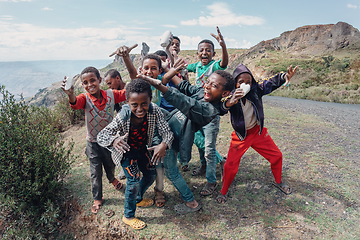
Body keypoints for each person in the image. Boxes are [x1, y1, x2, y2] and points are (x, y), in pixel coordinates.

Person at [110, 45, 201, 213]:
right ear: (141, 69)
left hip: (161, 137)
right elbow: (132, 75)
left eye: (154, 68)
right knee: (155, 171)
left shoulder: (160, 82)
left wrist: (172, 67)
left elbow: (166, 76)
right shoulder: (140, 84)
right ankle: (146, 196)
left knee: (170, 171)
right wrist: (126, 58)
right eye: (146, 68)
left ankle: (190, 201)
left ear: (159, 70)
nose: (149, 71)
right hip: (154, 136)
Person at [138, 60, 235, 197]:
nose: (207, 86)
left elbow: (185, 102)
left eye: (214, 85)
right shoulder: (203, 93)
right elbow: (185, 86)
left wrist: (158, 85)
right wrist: (168, 70)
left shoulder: (209, 110)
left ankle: (190, 201)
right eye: (207, 82)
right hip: (168, 129)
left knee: (172, 172)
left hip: (174, 138)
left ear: (224, 93)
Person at [97, 79, 173, 229]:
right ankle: (128, 215)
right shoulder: (123, 115)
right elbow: (101, 136)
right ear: (128, 102)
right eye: (134, 105)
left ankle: (137, 199)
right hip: (126, 153)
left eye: (144, 103)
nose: (139, 108)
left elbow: (167, 131)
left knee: (151, 175)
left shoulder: (155, 110)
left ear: (150, 100)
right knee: (133, 182)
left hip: (142, 149)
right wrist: (114, 141)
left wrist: (164, 144)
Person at [216, 64, 298, 203]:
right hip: (241, 136)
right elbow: (221, 108)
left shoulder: (256, 90)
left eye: (248, 82)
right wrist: (231, 101)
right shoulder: (230, 95)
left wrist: (285, 77)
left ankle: (278, 182)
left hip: (257, 132)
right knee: (230, 165)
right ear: (235, 83)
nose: (245, 84)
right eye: (241, 82)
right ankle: (223, 191)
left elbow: (271, 82)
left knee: (277, 156)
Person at [61, 66, 126, 214]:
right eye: (85, 82)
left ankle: (112, 179)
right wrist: (70, 95)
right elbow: (75, 104)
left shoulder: (111, 95)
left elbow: (126, 94)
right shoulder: (84, 98)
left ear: (99, 80)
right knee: (95, 171)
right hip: (93, 143)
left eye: (92, 80)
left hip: (109, 141)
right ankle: (98, 198)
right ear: (83, 85)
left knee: (110, 164)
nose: (89, 85)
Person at [184, 27, 228, 195]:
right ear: (197, 53)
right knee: (197, 140)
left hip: (210, 114)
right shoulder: (196, 67)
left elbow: (224, 63)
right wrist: (171, 53)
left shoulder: (214, 66)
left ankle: (211, 181)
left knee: (209, 148)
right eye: (201, 50)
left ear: (213, 54)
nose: (204, 53)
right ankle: (207, 165)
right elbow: (180, 67)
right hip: (196, 111)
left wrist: (223, 45)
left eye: (208, 50)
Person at [104, 69, 127, 180]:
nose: (109, 86)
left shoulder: (129, 88)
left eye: (110, 83)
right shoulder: (113, 95)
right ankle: (125, 167)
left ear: (118, 78)